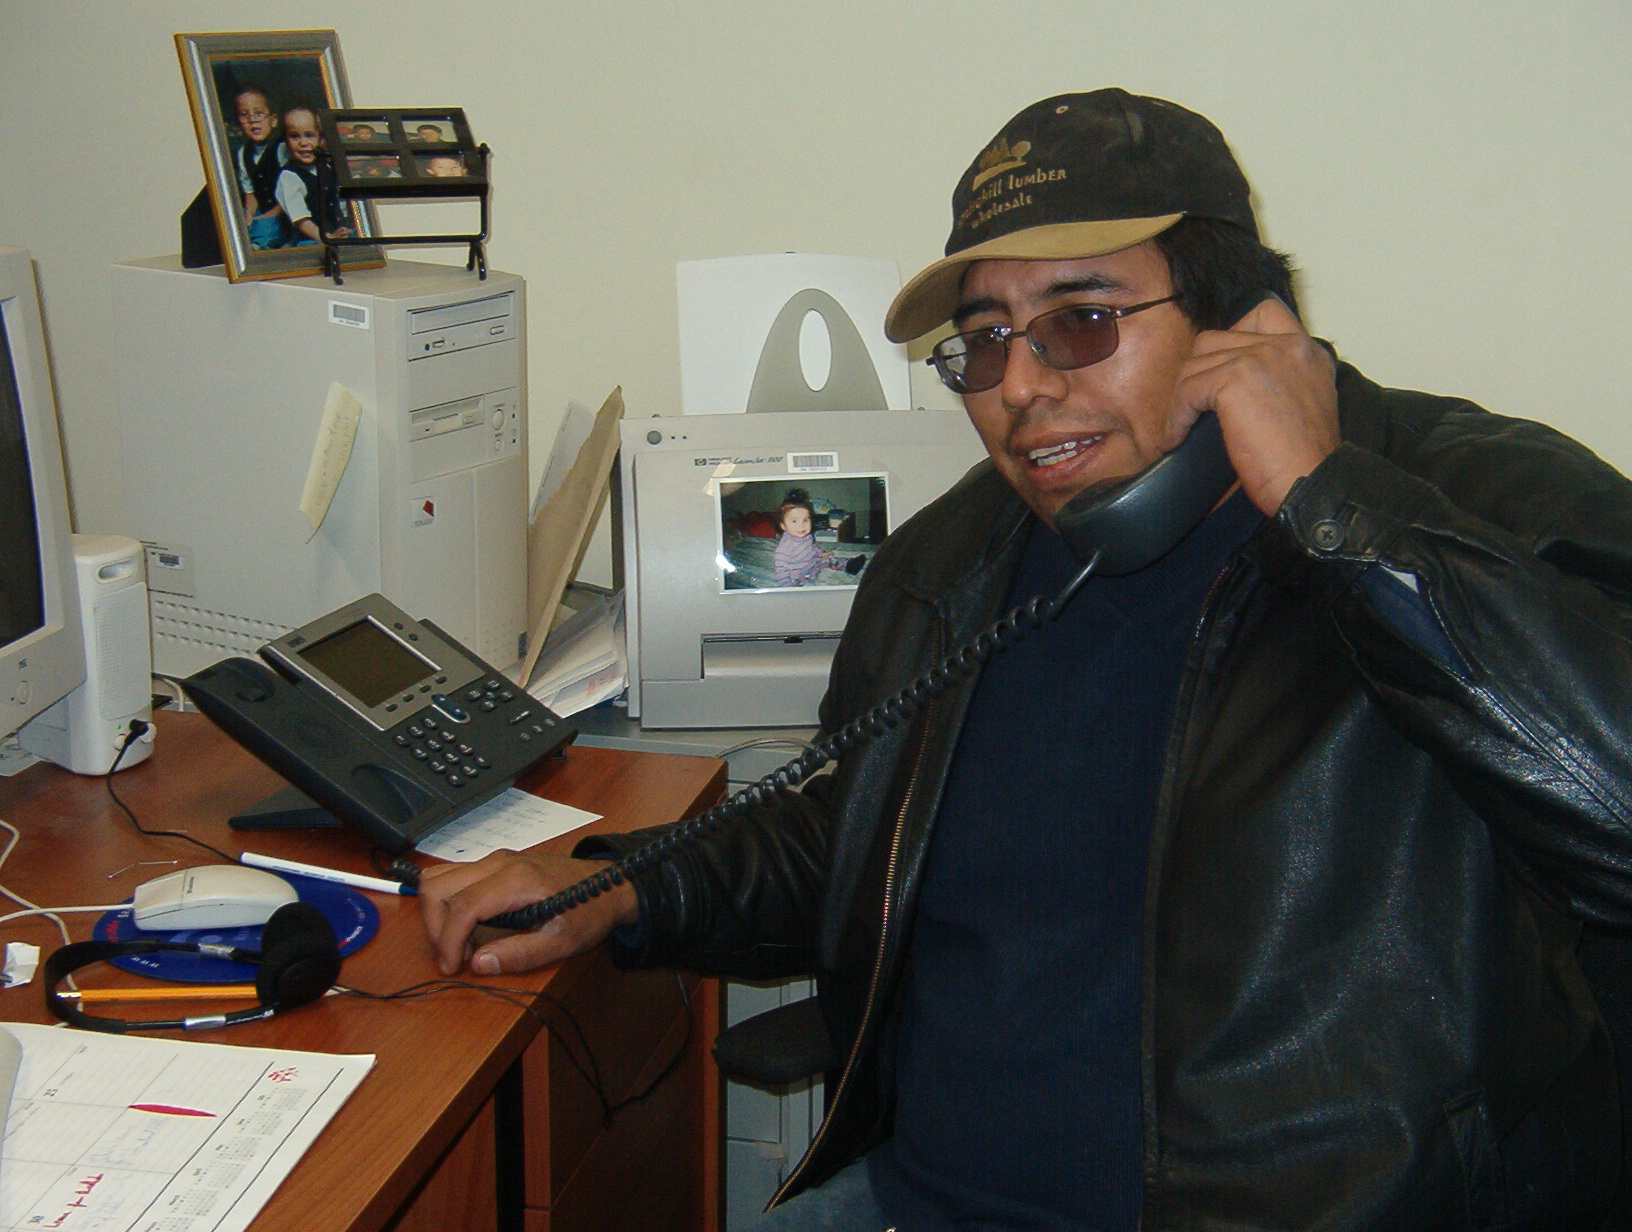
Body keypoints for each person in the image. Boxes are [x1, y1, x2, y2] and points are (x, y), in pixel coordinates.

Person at [419, 89, 1632, 1228]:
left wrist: (1337, 512)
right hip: (918, 1199)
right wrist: (616, 889)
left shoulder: (1485, 503)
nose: (1021, 387)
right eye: (983, 342)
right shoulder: (952, 561)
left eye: (1081, 321)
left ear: (1239, 323)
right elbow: (857, 831)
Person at [273, 105, 351, 246]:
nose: (303, 143)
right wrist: (327, 237)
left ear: (320, 139)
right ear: (286, 141)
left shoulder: (326, 166)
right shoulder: (289, 177)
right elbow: (301, 220)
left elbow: (339, 203)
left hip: (334, 234)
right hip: (310, 240)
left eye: (309, 135)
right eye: (294, 136)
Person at [230, 87, 287, 250]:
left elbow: (290, 195)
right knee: (236, 221)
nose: (252, 120)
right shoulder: (243, 153)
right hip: (262, 208)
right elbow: (250, 192)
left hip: (284, 211)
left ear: (273, 120)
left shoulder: (282, 149)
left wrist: (265, 218)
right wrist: (249, 216)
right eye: (244, 114)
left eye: (259, 113)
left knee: (264, 231)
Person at [772, 492, 835, 587]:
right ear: (783, 526)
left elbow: (812, 547)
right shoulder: (784, 548)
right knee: (806, 586)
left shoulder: (807, 536)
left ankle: (849, 564)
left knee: (830, 558)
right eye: (794, 521)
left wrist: (820, 553)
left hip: (813, 564)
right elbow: (781, 572)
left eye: (805, 520)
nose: (801, 525)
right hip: (799, 577)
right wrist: (786, 587)